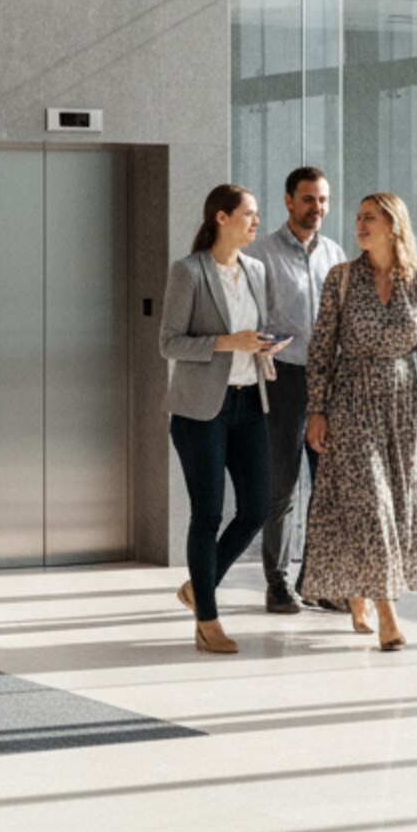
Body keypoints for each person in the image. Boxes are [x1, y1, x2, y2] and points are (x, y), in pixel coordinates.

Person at [299, 192, 417, 652]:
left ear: (393, 225)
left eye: (370, 218)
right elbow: (322, 348)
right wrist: (317, 409)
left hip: (405, 405)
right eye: (359, 218)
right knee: (372, 503)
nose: (359, 225)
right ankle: (388, 611)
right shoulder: (341, 279)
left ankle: (359, 589)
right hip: (352, 400)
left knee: (398, 504)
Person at [159, 184, 289, 654]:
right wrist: (226, 342)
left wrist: (264, 344)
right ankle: (208, 618)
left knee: (257, 507)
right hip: (200, 412)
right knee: (208, 512)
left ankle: (200, 584)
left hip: (250, 403)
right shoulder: (188, 272)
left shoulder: (255, 269)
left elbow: (253, 330)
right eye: (249, 214)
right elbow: (169, 343)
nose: (256, 222)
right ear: (221, 217)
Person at [253, 167, 346, 614]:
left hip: (327, 381)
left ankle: (319, 581)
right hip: (284, 377)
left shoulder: (335, 254)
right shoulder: (262, 255)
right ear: (288, 201)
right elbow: (250, 318)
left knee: (326, 486)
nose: (318, 209)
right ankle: (277, 582)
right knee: (283, 487)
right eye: (309, 200)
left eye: (323, 200)